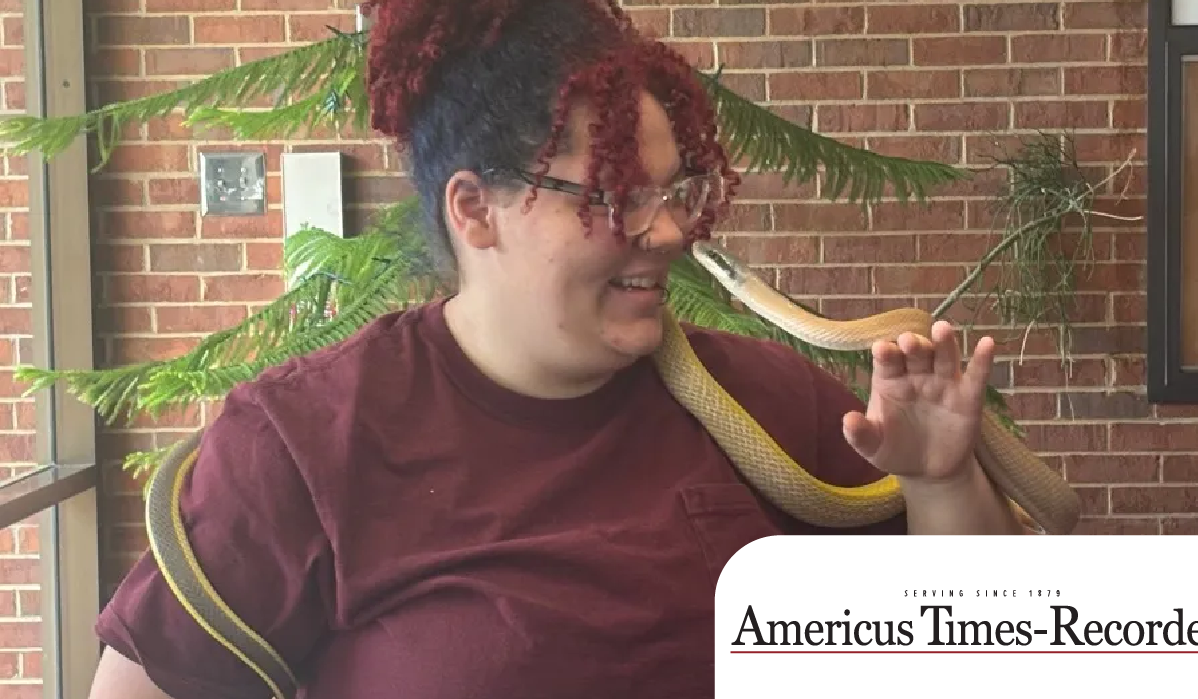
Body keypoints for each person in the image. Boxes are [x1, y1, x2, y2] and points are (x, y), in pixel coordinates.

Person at [86, 0, 1028, 697]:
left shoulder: (765, 404)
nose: (665, 234)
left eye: (673, 189)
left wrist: (944, 482)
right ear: (474, 210)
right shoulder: (305, 439)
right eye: (613, 196)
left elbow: (984, 659)